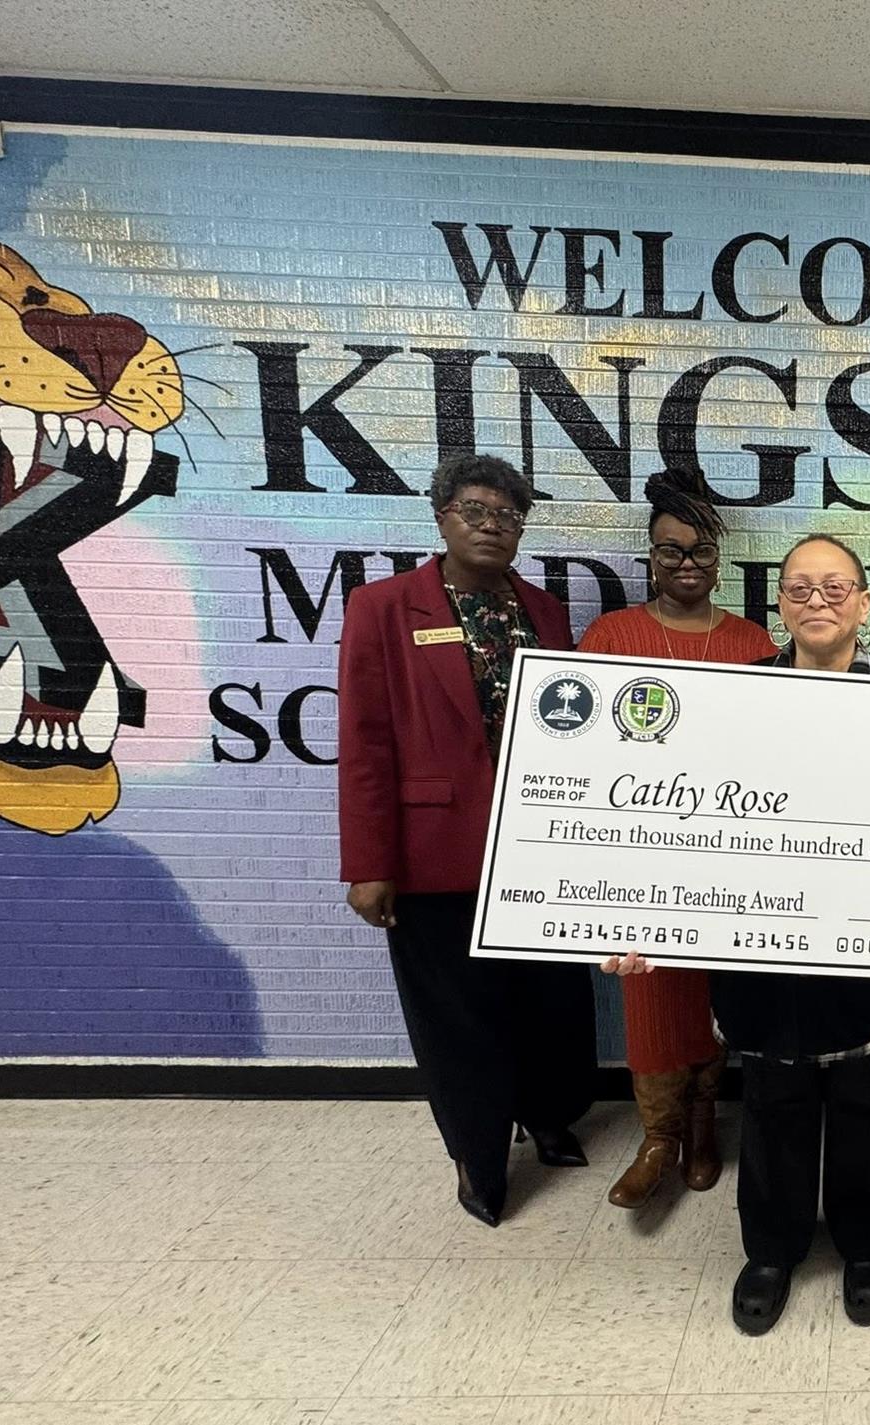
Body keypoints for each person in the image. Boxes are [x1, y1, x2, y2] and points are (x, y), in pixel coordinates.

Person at [608, 535, 870, 1335]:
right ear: (780, 604)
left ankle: (866, 1244)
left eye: (835, 587)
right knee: (774, 1102)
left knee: (869, 1104)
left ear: (865, 603)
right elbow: (683, 818)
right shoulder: (733, 699)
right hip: (763, 952)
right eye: (800, 588)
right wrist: (640, 918)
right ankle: (772, 1247)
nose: (817, 600)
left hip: (868, 949)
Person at [337, 453, 595, 1228]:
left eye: (508, 515)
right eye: (475, 510)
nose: (492, 526)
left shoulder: (544, 612)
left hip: (538, 844)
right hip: (434, 852)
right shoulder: (384, 608)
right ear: (441, 515)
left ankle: (548, 1116)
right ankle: (477, 1151)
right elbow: (365, 743)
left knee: (548, 998)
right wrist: (370, 863)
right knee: (458, 1012)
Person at [578, 471, 775, 1211]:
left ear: (718, 559)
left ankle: (703, 1123)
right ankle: (658, 1136)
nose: (687, 564)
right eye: (671, 550)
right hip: (642, 856)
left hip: (731, 857)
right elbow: (582, 750)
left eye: (700, 551)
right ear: (651, 557)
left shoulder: (753, 643)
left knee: (716, 987)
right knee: (653, 987)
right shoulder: (612, 637)